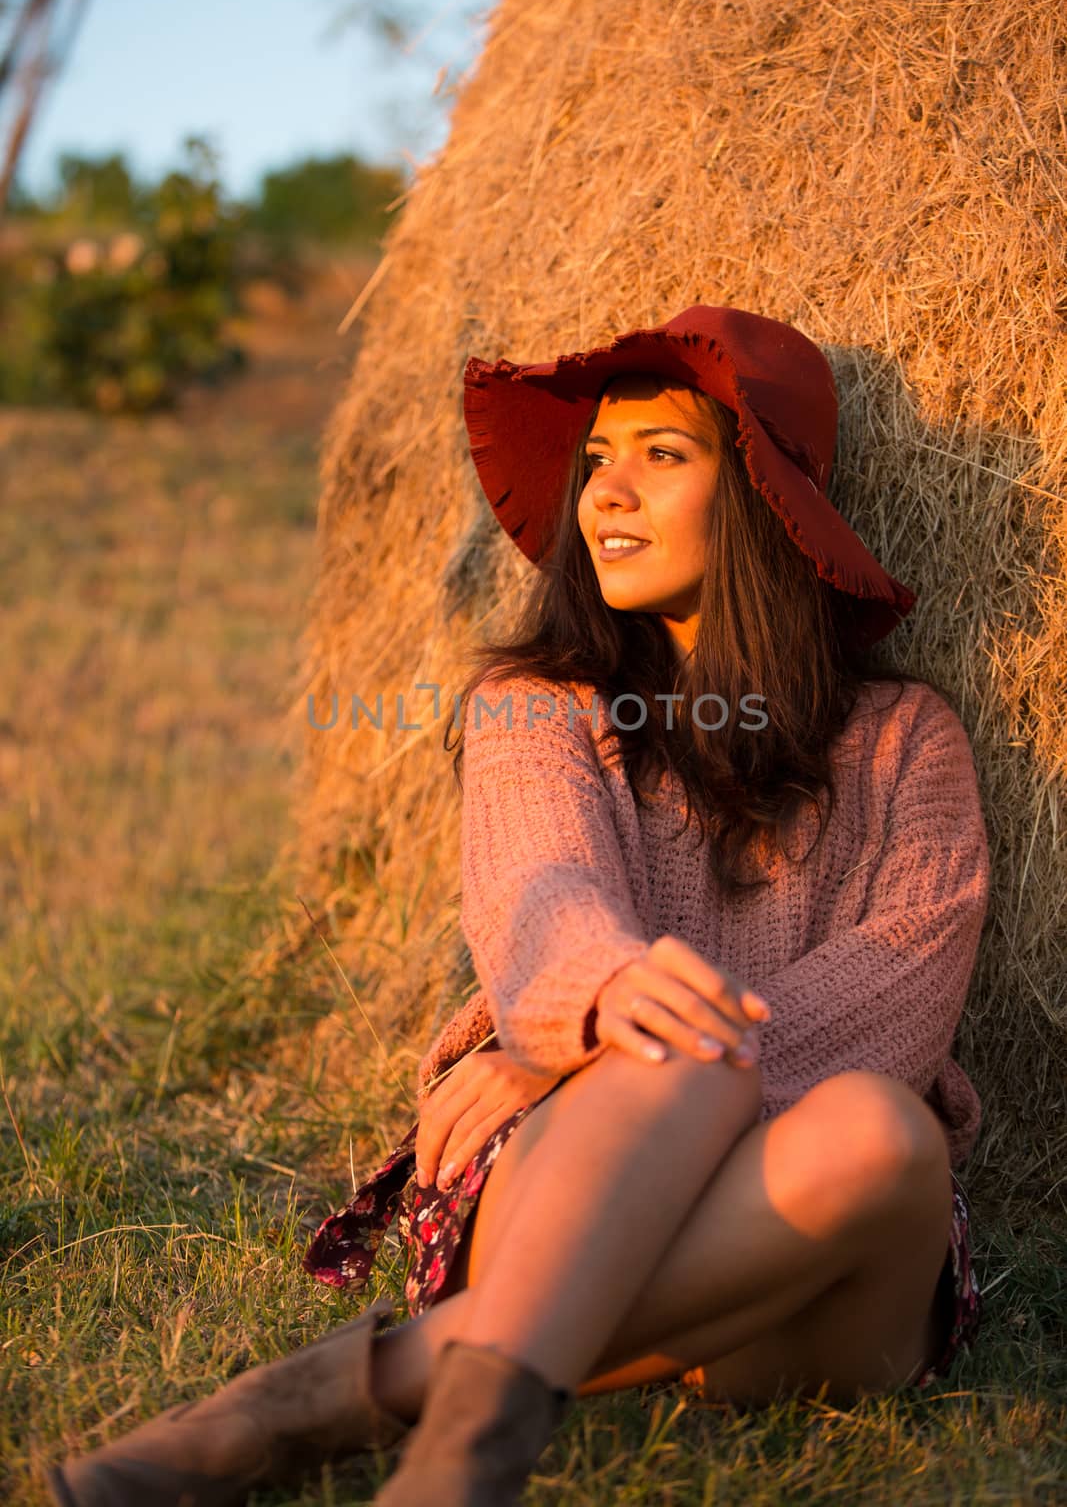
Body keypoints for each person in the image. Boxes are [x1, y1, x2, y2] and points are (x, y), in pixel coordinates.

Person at [48, 305, 989, 1507]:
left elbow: (901, 990)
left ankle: (341, 1393)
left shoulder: (906, 742)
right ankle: (459, 1464)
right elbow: (539, 892)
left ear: (761, 495)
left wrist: (564, 1052)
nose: (605, 492)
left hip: (808, 1253)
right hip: (574, 1185)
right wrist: (592, 1009)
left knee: (880, 1130)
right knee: (677, 1062)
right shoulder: (540, 706)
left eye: (662, 454)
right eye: (596, 459)